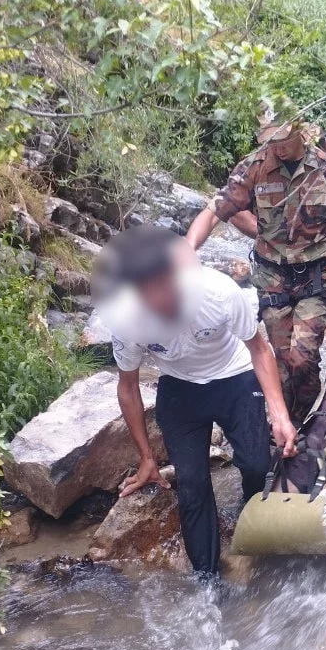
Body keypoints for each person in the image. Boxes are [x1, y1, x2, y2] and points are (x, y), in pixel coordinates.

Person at [98, 225, 298, 578]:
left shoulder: (219, 292)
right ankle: (208, 580)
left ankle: (252, 522)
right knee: (191, 484)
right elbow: (128, 387)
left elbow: (259, 350)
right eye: (148, 292)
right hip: (180, 387)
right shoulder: (127, 321)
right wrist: (146, 458)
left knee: (255, 464)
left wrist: (280, 416)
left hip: (235, 376)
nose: (160, 299)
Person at [187, 113, 326, 425]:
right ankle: (288, 426)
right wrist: (186, 251)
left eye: (282, 139)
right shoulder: (254, 167)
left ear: (301, 131)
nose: (276, 147)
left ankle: (303, 419)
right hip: (272, 277)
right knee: (281, 361)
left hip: (317, 276)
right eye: (270, 140)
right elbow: (216, 210)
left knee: (303, 359)